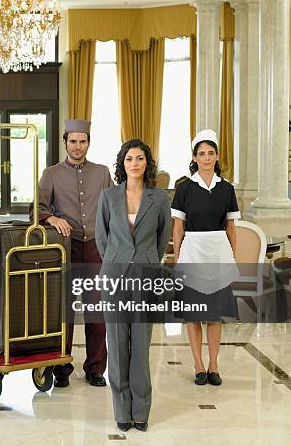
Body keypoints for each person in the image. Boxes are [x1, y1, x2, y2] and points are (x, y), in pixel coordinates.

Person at [95, 139, 171, 433]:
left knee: (140, 346)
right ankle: (121, 411)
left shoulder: (159, 198)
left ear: (146, 164)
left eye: (140, 158)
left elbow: (163, 236)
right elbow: (102, 238)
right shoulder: (108, 197)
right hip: (114, 276)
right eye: (129, 159)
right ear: (122, 163)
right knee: (116, 345)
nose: (135, 163)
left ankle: (141, 411)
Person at [37, 118, 113, 388]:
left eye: (82, 141)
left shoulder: (103, 173)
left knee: (96, 310)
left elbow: (113, 208)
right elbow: (38, 208)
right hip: (65, 247)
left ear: (88, 143)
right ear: (65, 142)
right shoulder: (51, 174)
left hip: (95, 246)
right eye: (73, 141)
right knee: (64, 311)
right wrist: (51, 218)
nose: (78, 146)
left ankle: (95, 368)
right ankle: (61, 366)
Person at [171, 129, 240, 387]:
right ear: (194, 157)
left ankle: (213, 364)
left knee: (214, 313)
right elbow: (178, 227)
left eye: (211, 153)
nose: (207, 157)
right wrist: (178, 260)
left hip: (219, 252)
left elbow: (232, 228)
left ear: (217, 156)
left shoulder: (227, 189)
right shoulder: (184, 188)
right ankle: (198, 364)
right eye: (202, 153)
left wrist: (234, 258)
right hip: (192, 252)